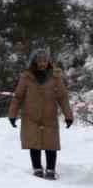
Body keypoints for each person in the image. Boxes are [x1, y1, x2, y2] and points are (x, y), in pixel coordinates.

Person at [8, 51, 74, 180]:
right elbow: (18, 97)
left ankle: (50, 170)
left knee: (51, 144)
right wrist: (12, 114)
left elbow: (62, 97)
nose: (43, 63)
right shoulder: (26, 76)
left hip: (49, 117)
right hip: (30, 117)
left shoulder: (55, 76)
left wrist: (68, 115)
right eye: (40, 61)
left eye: (45, 61)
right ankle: (37, 169)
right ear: (34, 62)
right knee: (34, 143)